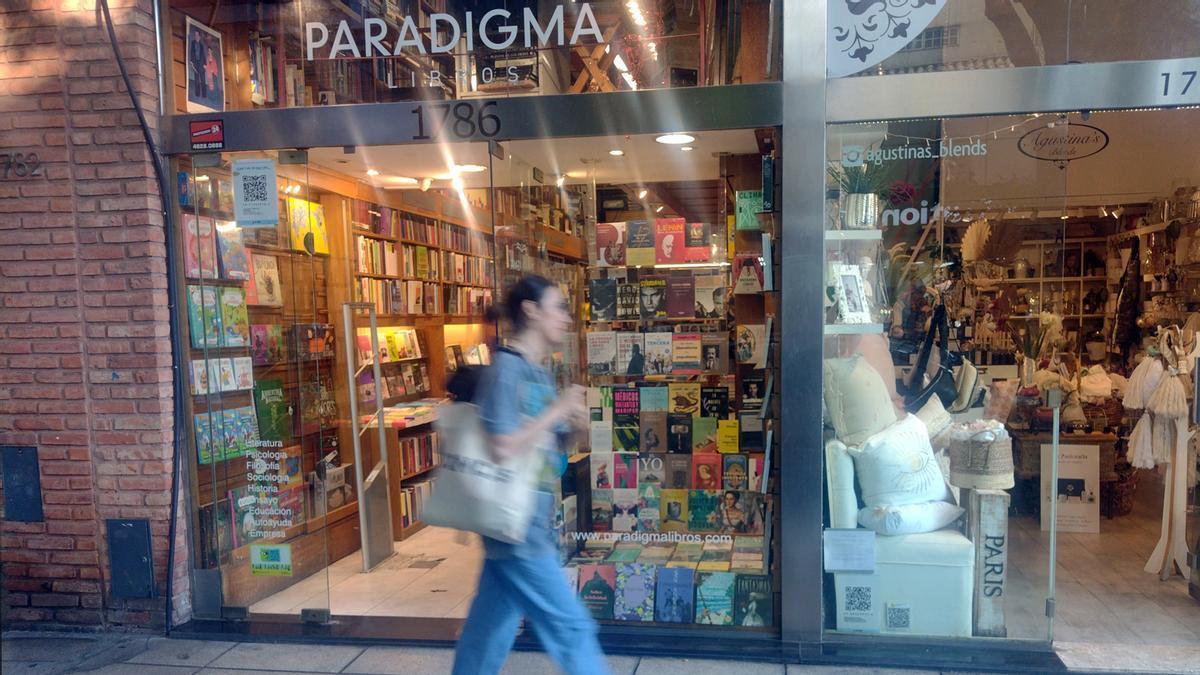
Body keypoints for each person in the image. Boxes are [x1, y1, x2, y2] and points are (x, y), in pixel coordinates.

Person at [452, 275, 607, 675]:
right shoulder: (508, 369)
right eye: (557, 308)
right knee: (572, 628)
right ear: (531, 311)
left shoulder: (537, 373)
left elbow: (550, 449)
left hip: (525, 521)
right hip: (517, 528)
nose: (565, 319)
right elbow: (501, 445)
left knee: (488, 634)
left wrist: (576, 424)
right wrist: (556, 412)